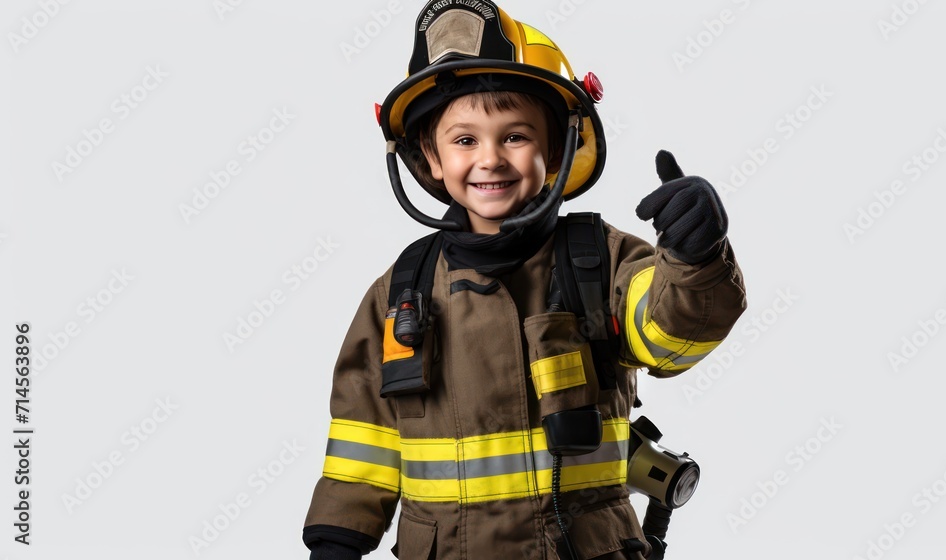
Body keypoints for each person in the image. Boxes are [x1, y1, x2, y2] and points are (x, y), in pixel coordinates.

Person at [303, 2, 746, 559]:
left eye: (515, 136)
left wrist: (694, 257)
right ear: (430, 158)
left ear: (557, 148)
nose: (490, 159)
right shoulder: (401, 290)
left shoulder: (600, 259)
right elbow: (363, 434)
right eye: (465, 140)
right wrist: (336, 541)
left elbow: (670, 337)